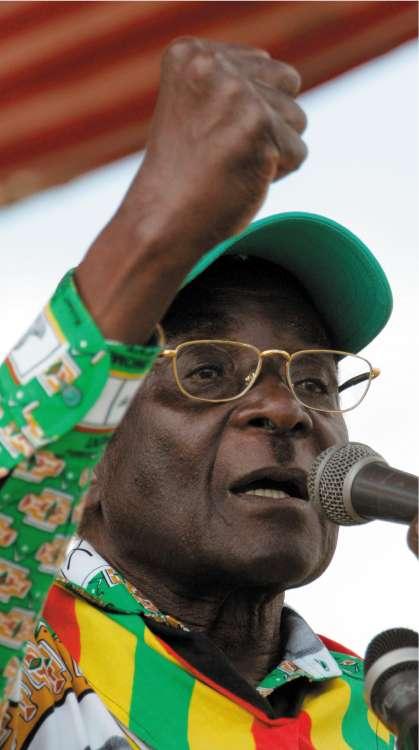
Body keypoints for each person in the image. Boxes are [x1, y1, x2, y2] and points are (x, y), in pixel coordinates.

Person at [0, 37, 415, 750]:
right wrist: (154, 225)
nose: (284, 408)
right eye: (207, 372)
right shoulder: (33, 654)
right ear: (89, 458)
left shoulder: (385, 710)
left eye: (314, 381)